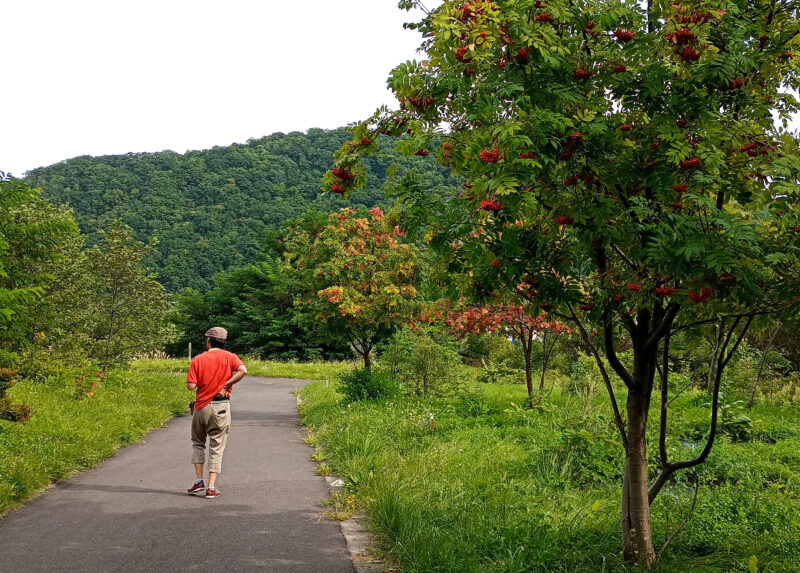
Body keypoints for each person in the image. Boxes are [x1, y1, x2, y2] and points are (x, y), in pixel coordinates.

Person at [185, 327, 247, 499]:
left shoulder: (198, 359)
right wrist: (226, 385)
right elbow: (243, 370)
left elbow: (191, 386)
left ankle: (198, 481)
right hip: (221, 406)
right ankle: (211, 487)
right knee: (217, 446)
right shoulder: (230, 357)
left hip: (201, 407)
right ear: (224, 342)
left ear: (208, 341)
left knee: (198, 443)